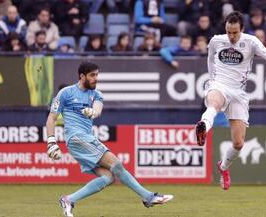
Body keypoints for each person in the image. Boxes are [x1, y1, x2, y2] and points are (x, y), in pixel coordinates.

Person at [45, 61, 173, 217]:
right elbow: (51, 117)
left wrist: (92, 112)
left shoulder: (96, 94)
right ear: (82, 76)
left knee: (108, 177)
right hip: (77, 138)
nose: (96, 78)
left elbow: (98, 110)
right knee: (116, 164)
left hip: (86, 138)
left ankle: (68, 200)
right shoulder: (66, 92)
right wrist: (51, 141)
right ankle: (148, 197)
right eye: (92, 75)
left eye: (97, 75)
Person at [194, 11, 266, 190]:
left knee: (238, 143)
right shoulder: (216, 41)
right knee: (214, 102)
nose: (231, 36)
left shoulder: (251, 42)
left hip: (239, 93)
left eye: (235, 32)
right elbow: (210, 60)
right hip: (219, 84)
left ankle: (223, 167)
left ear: (241, 29)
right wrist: (212, 80)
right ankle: (203, 126)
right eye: (229, 32)